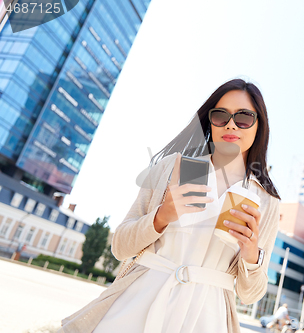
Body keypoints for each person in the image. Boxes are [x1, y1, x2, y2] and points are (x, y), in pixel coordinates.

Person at [58, 78, 281, 333]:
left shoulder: (265, 200)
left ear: (258, 125)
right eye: (220, 116)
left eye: (243, 117)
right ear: (210, 122)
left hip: (207, 318)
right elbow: (120, 246)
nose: (231, 124)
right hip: (137, 306)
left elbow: (251, 294)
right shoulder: (176, 167)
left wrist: (252, 254)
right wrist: (161, 216)